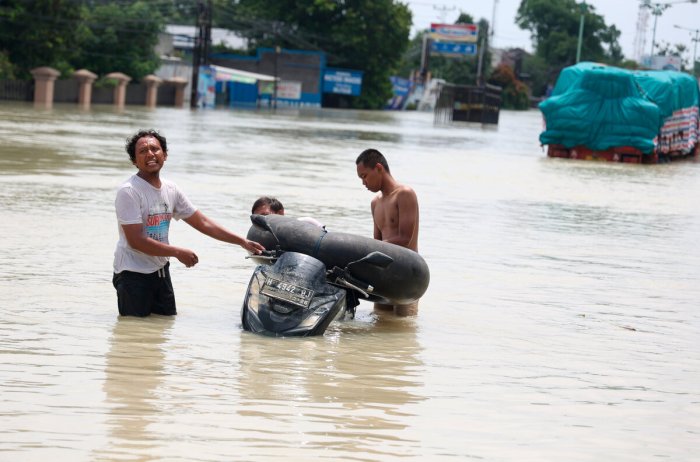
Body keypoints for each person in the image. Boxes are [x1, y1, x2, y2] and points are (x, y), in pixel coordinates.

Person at [112, 129, 265, 317]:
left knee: (163, 329)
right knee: (132, 337)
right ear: (135, 161)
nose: (150, 154)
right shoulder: (129, 191)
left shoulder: (171, 189)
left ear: (165, 155)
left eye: (155, 149)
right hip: (132, 273)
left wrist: (241, 241)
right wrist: (177, 252)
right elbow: (136, 241)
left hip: (160, 271)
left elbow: (202, 222)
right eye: (143, 151)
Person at [355, 148, 420, 316]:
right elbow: (377, 241)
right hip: (384, 274)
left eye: (364, 176)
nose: (364, 183)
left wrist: (366, 247)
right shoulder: (375, 203)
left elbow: (405, 238)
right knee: (380, 321)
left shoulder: (405, 194)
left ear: (378, 168)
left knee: (404, 325)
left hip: (407, 272)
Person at [251, 196, 324, 227]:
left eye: (265, 215)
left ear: (280, 213)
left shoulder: (307, 222)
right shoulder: (256, 237)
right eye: (257, 217)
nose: (260, 219)